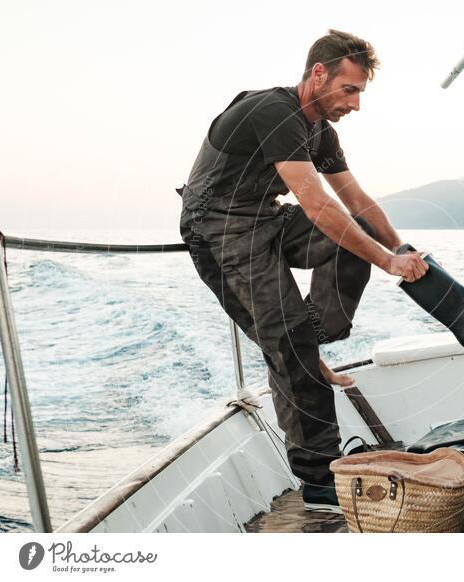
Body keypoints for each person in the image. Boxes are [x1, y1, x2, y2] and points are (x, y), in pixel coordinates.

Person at [177, 30, 428, 513]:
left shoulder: (320, 131)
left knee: (354, 240)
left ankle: (308, 333)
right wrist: (388, 261)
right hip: (218, 231)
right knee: (291, 346)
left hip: (266, 219)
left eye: (359, 93)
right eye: (349, 90)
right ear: (318, 74)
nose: (355, 105)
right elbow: (315, 204)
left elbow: (354, 201)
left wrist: (399, 247)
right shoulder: (274, 111)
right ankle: (318, 481)